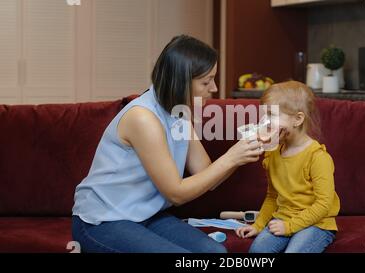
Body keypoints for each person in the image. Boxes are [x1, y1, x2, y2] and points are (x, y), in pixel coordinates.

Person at [72, 35, 264, 253]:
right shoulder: (143, 118)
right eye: (206, 81)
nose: (214, 87)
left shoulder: (179, 112)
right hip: (103, 220)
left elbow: (207, 175)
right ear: (182, 81)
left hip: (145, 215)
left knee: (215, 252)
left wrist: (244, 150)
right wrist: (231, 157)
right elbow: (176, 193)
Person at [235, 81, 340, 253]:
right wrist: (258, 225)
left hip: (317, 224)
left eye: (271, 115)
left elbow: (324, 204)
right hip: (283, 218)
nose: (265, 122)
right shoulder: (273, 152)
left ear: (298, 119)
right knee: (257, 252)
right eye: (264, 116)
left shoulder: (318, 157)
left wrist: (290, 226)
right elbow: (272, 195)